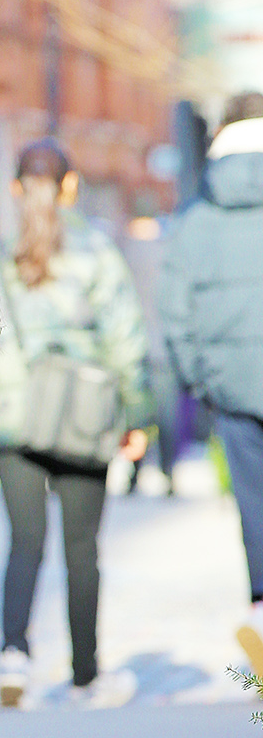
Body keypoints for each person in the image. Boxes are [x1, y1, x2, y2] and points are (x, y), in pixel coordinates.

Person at [0, 140, 150, 709]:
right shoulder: (98, 253)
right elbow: (126, 338)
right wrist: (137, 414)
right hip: (83, 416)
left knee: (23, 544)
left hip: (12, 421)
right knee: (82, 549)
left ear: (15, 187)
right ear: (71, 186)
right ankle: (84, 677)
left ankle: (14, 658)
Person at [159, 92, 263, 678]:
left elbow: (175, 310)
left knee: (255, 507)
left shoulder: (199, 215)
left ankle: (262, 609)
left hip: (231, 387)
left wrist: (200, 377)